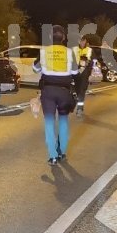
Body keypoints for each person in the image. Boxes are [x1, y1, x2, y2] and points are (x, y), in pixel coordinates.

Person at [32, 25, 79, 165]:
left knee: (49, 122)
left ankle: (52, 156)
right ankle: (62, 152)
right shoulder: (69, 52)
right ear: (63, 37)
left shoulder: (43, 52)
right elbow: (75, 72)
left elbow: (35, 69)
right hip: (64, 91)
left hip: (48, 91)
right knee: (63, 120)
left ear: (50, 37)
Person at [72, 36, 93, 117]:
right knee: (74, 91)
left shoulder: (89, 50)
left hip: (84, 74)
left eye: (84, 40)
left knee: (81, 91)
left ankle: (79, 109)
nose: (82, 42)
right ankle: (73, 105)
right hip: (74, 73)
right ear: (78, 41)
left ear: (86, 41)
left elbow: (92, 63)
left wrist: (90, 74)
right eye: (81, 40)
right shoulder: (74, 49)